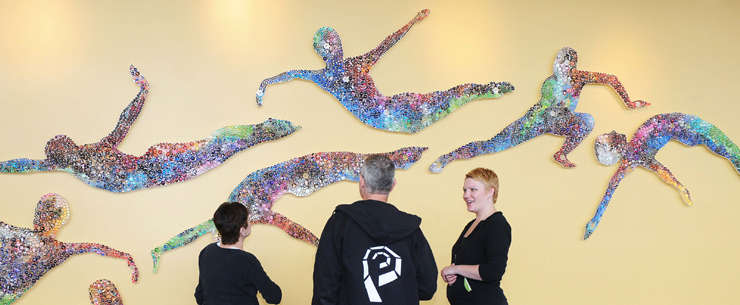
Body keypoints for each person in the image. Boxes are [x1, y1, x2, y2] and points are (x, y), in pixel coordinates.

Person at [0, 65, 299, 192]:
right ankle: (264, 132)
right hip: (150, 173)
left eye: (62, 142)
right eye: (56, 147)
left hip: (152, 164)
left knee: (214, 147)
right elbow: (23, 165)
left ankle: (266, 130)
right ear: (57, 155)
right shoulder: (64, 165)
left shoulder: (97, 148)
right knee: (214, 152)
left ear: (72, 143)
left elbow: (124, 121)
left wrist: (142, 93)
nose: (61, 146)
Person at [256, 9, 513, 133]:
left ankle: (485, 89)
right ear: (323, 52)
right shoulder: (322, 77)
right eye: (330, 46)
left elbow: (386, 44)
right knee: (442, 102)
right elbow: (291, 74)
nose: (336, 48)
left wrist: (412, 22)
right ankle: (482, 90)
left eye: (337, 43)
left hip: (393, 107)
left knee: (446, 97)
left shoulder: (357, 63)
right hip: (385, 117)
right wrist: (265, 84)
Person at [430, 47, 650, 173]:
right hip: (536, 121)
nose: (560, 65)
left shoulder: (579, 77)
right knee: (493, 145)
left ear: (572, 65)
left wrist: (629, 102)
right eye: (558, 60)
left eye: (565, 62)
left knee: (588, 120)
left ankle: (561, 153)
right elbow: (543, 109)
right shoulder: (550, 82)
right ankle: (448, 157)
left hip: (561, 120)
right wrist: (533, 121)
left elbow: (610, 78)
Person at [584, 112, 740, 239]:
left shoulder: (634, 151)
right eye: (609, 138)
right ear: (613, 150)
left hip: (684, 124)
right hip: (686, 127)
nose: (612, 132)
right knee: (726, 148)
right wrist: (679, 186)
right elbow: (658, 170)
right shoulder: (633, 155)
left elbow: (613, 188)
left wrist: (679, 187)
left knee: (727, 149)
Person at [312, 154, 438, 305]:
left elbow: (325, 286)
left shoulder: (339, 223)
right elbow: (427, 287)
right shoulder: (412, 230)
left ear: (362, 182)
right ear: (393, 185)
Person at [0, 193, 139, 304]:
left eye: (49, 215)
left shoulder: (58, 251)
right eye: (40, 213)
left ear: (59, 220)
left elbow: (94, 247)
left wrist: (124, 256)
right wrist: (124, 256)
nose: (42, 219)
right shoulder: (15, 235)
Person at [440, 168, 511, 305]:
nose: (466, 195)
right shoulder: (472, 225)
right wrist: (454, 276)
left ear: (491, 191)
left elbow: (494, 271)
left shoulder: (497, 225)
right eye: (465, 190)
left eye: (473, 189)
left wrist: (455, 269)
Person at [195, 202, 282, 305]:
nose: (250, 223)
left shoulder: (206, 252)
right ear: (242, 230)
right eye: (249, 220)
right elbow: (274, 297)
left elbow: (199, 296)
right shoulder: (247, 261)